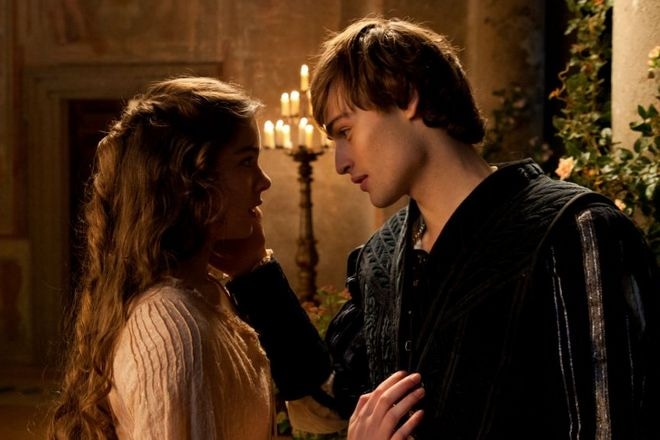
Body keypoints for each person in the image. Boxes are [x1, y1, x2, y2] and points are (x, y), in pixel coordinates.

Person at [225, 17, 660, 439]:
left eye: (345, 131)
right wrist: (253, 272)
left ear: (406, 95)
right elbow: (332, 401)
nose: (340, 162)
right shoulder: (382, 256)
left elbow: (611, 425)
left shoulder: (576, 231)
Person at [47, 76, 422, 440]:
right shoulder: (171, 328)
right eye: (246, 162)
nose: (264, 181)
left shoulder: (208, 294)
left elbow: (307, 408)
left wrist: (253, 269)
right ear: (192, 180)